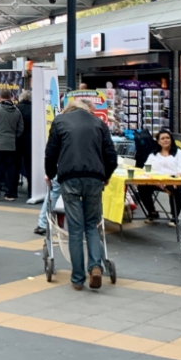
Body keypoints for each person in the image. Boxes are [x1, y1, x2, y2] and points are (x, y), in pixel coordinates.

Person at [44, 99, 118, 291]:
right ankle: (95, 267)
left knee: (76, 229)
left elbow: (51, 152)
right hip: (94, 178)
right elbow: (111, 155)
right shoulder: (99, 123)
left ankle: (77, 279)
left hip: (70, 178)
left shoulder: (60, 122)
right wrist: (106, 175)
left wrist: (49, 174)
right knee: (92, 225)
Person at [136, 129, 181, 226]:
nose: (165, 140)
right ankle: (152, 212)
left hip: (172, 180)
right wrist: (158, 183)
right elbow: (146, 169)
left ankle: (174, 217)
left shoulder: (179, 153)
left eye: (167, 138)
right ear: (158, 141)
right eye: (162, 138)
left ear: (171, 139)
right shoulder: (153, 155)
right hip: (155, 181)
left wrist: (173, 181)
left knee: (176, 189)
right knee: (142, 187)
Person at [0, 89, 24, 201]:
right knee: (10, 169)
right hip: (10, 144)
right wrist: (13, 137)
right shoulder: (16, 111)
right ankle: (10, 193)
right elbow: (20, 128)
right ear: (11, 97)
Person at [16, 90, 33, 187]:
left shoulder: (16, 109)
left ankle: (12, 190)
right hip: (30, 141)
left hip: (17, 140)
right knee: (29, 166)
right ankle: (31, 190)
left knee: (15, 165)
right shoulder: (34, 109)